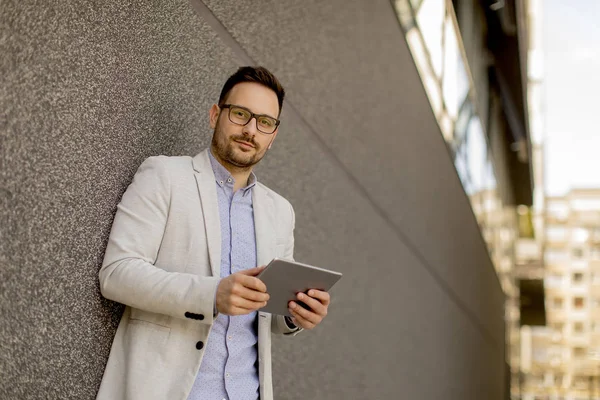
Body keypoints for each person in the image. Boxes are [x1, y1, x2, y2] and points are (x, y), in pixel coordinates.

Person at [96, 66, 331, 400]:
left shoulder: (281, 212)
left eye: (264, 122)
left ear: (273, 135)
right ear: (214, 115)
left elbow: (272, 317)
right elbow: (117, 274)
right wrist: (211, 295)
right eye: (240, 114)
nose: (251, 130)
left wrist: (296, 313)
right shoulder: (164, 176)